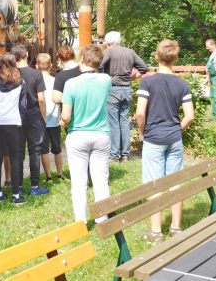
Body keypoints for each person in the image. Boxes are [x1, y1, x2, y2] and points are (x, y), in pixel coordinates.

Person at [136, 40, 194, 242]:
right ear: (176, 58)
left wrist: (142, 132)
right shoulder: (182, 84)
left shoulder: (148, 82)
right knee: (175, 182)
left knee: (155, 184)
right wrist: (176, 129)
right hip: (174, 138)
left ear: (156, 57)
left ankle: (155, 231)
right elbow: (189, 116)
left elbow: (140, 114)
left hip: (154, 137)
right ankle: (176, 228)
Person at [60, 44, 111, 224]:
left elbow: (66, 115)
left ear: (82, 59)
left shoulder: (71, 83)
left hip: (78, 135)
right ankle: (103, 218)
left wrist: (62, 122)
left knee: (79, 181)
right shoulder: (106, 79)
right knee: (101, 179)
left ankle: (80, 221)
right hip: (101, 134)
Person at [100, 31, 148, 162]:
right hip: (126, 88)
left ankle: (114, 155)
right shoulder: (130, 52)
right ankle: (126, 154)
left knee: (114, 123)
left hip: (113, 89)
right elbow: (144, 67)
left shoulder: (109, 52)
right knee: (125, 122)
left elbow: (99, 66)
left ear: (108, 41)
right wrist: (132, 76)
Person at [0, 53, 27, 204]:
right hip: (13, 122)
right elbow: (23, 106)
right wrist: (19, 120)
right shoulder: (20, 82)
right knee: (15, 157)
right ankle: (16, 194)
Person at [12, 44, 48, 196]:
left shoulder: (11, 74)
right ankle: (34, 186)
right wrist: (44, 116)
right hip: (33, 114)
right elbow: (41, 99)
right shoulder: (36, 74)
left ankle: (18, 186)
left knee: (18, 152)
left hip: (16, 116)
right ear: (27, 54)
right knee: (35, 151)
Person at [36, 53, 64, 182]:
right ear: (51, 65)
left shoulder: (36, 80)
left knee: (44, 150)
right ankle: (60, 173)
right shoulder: (55, 80)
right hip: (54, 119)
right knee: (57, 149)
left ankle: (48, 176)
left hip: (41, 120)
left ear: (36, 66)